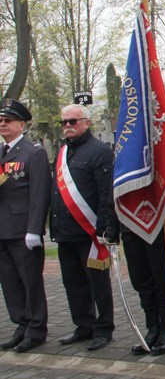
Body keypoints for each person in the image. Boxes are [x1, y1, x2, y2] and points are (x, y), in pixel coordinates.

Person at [50, 104, 114, 351]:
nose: (68, 125)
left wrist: (102, 228)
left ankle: (104, 328)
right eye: (64, 122)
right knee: (73, 283)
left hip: (89, 234)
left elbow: (104, 194)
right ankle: (83, 325)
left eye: (73, 121)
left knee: (98, 283)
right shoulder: (62, 152)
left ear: (87, 122)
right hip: (65, 232)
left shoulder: (100, 152)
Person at [0, 99, 50, 353]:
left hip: (22, 230)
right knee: (9, 282)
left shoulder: (34, 153)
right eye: (0, 120)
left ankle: (36, 328)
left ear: (21, 124)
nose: (2, 124)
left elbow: (39, 194)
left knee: (29, 281)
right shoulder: (1, 152)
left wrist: (35, 229)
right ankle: (21, 324)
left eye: (8, 120)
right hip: (2, 229)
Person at [104, 193, 165, 356]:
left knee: (162, 281)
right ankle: (153, 328)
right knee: (141, 281)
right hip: (130, 225)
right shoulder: (119, 165)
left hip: (157, 224)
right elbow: (114, 193)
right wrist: (112, 227)